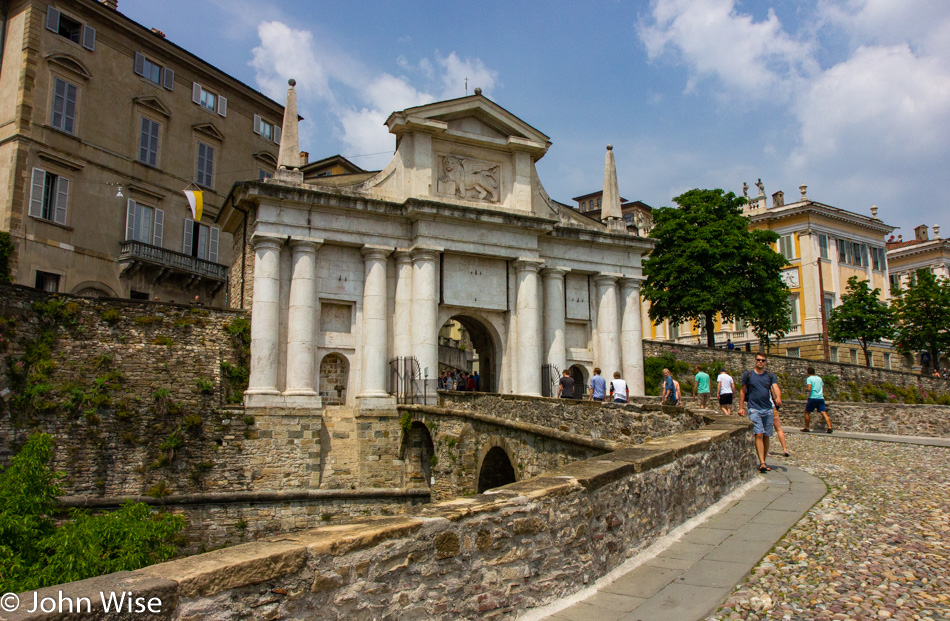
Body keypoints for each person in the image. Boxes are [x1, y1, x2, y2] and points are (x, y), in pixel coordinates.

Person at [738, 353, 782, 473]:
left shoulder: (769, 376)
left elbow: (775, 387)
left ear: (765, 362)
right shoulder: (748, 375)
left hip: (768, 409)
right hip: (754, 408)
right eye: (758, 360)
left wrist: (778, 397)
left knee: (766, 435)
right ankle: (762, 462)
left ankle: (764, 459)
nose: (760, 362)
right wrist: (741, 407)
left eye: (763, 360)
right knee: (758, 434)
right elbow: (742, 391)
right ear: (755, 361)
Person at [803, 367, 833, 433]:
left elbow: (809, 388)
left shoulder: (809, 378)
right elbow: (822, 386)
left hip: (813, 397)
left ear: (807, 372)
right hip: (820, 398)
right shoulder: (819, 378)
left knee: (807, 412)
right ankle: (829, 427)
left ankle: (807, 427)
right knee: (823, 412)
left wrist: (806, 390)